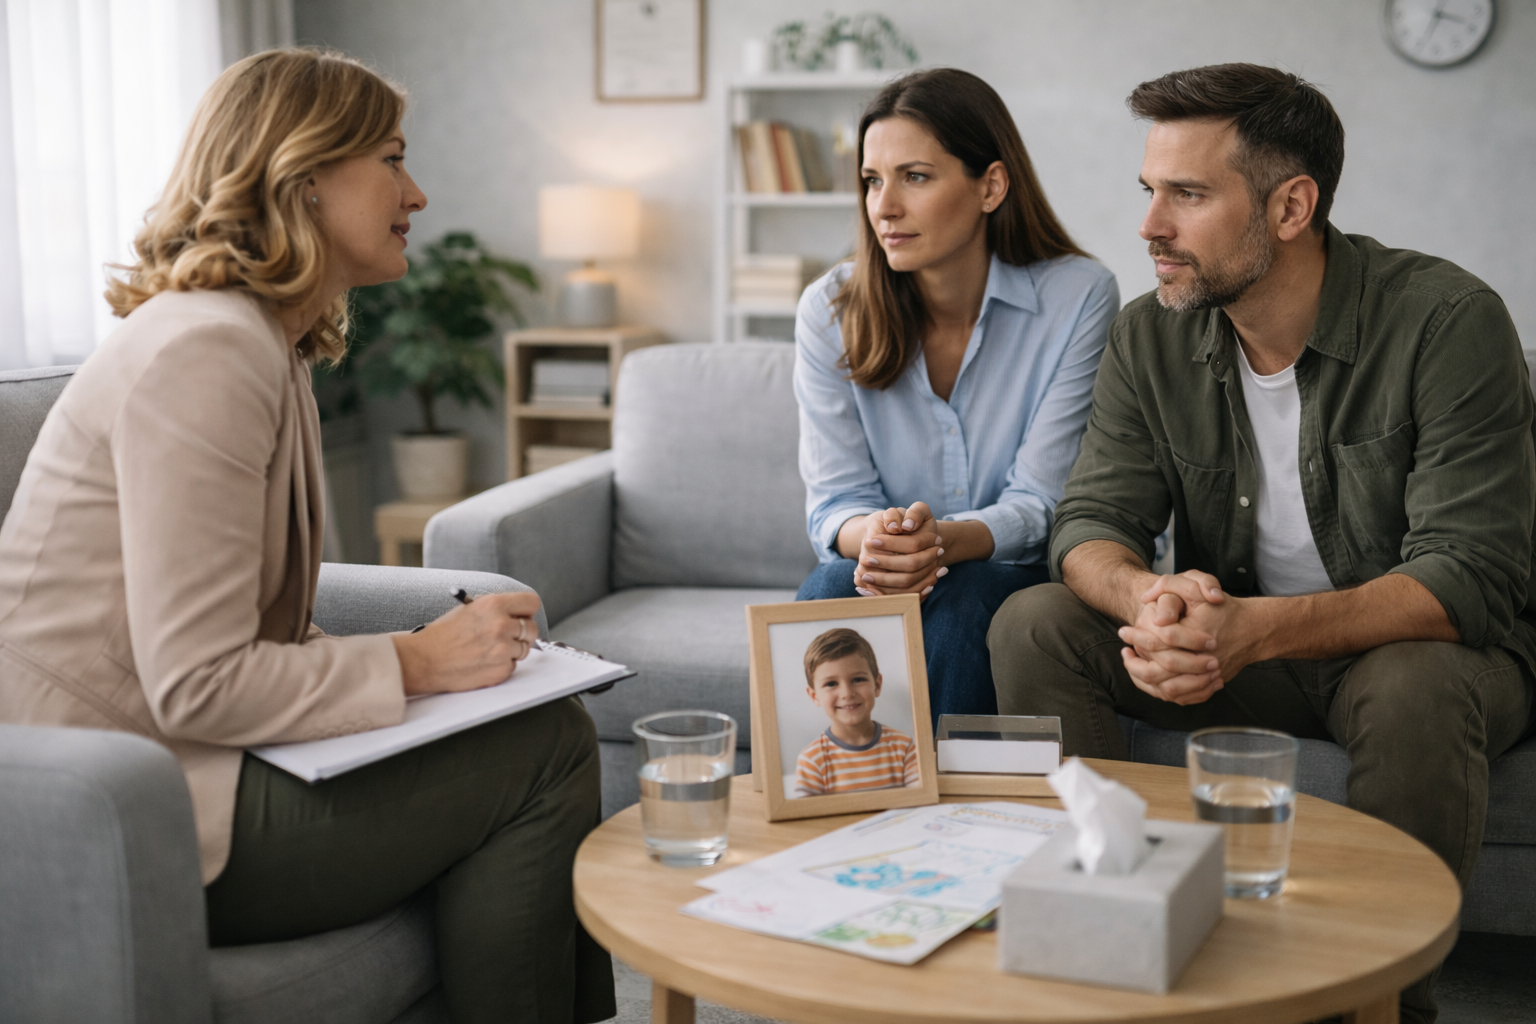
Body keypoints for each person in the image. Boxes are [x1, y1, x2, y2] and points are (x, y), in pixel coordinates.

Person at [0, 49, 613, 1024]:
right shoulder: (206, 351)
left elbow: (250, 633)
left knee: (532, 724)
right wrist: (415, 661)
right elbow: (196, 681)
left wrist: (436, 668)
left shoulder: (259, 342)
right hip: (121, 805)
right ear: (305, 175)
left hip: (181, 758)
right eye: (392, 158)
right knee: (545, 747)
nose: (416, 191)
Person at [987, 63, 1536, 1024]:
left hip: (1411, 653)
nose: (1151, 226)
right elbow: (1089, 525)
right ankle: (1109, 935)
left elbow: (1467, 579)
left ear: (1292, 206)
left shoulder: (1449, 321)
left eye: (1188, 195)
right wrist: (1145, 599)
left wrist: (1253, 630)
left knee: (1416, 682)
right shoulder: (1148, 336)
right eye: (1149, 192)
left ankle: (1373, 1003)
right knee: (1034, 622)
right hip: (1242, 643)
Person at [794, 68, 1120, 721]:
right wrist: (886, 538)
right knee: (833, 585)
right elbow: (835, 504)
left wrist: (942, 541)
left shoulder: (1079, 296)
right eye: (871, 180)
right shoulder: (829, 307)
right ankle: (822, 802)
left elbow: (1044, 504)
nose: (884, 206)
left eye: (915, 176)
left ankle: (939, 817)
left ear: (991, 186)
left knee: (968, 594)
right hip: (886, 562)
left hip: (1017, 569)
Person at [794, 627, 918, 797]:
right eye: (831, 684)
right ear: (814, 696)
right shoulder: (812, 760)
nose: (847, 693)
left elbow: (919, 804)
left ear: (877, 685)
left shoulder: (903, 747)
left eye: (858, 679)